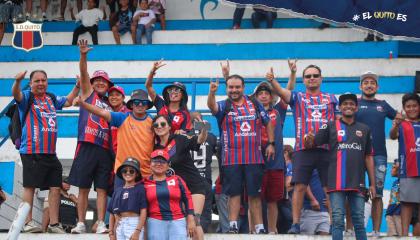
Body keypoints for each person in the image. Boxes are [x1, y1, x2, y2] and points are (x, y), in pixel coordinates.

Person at [268, 64, 339, 234]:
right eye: (308, 76)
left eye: (315, 75)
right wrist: (272, 81)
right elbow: (282, 93)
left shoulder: (331, 98)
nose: (312, 78)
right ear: (304, 80)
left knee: (329, 188)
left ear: (321, 78)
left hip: (325, 148)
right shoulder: (298, 96)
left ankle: (334, 223)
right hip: (302, 149)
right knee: (299, 186)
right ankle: (296, 224)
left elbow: (338, 119)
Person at [207, 71, 275, 234]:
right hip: (231, 160)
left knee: (254, 195)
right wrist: (212, 92)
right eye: (231, 87)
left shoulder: (255, 103)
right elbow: (212, 106)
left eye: (237, 87)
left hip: (254, 158)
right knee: (234, 194)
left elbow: (268, 123)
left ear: (243, 88)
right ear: (227, 88)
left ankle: (259, 228)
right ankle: (233, 226)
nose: (234, 90)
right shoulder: (224, 105)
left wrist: (271, 143)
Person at [12, 70, 79, 233]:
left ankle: (54, 224)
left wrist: (77, 87)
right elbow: (16, 94)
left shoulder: (51, 98)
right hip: (31, 150)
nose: (41, 83)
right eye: (37, 81)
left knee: (55, 187)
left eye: (43, 80)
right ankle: (26, 222)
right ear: (31, 83)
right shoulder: (27, 97)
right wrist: (17, 82)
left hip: (50, 153)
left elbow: (69, 101)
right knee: (30, 186)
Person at [304, 93, 376, 240]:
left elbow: (368, 157)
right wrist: (309, 138)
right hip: (336, 181)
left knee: (359, 221)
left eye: (351, 104)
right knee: (337, 220)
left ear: (356, 107)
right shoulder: (330, 126)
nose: (348, 106)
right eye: (345, 104)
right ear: (340, 107)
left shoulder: (364, 129)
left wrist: (373, 184)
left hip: (358, 182)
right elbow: (311, 144)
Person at [68, 39, 114, 234]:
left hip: (105, 149)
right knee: (84, 187)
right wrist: (83, 55)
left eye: (104, 81)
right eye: (97, 80)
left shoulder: (111, 102)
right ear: (92, 84)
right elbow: (84, 73)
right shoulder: (88, 94)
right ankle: (80, 222)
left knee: (102, 189)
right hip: (87, 144)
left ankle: (100, 223)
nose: (101, 83)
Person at [355, 71, 402, 237]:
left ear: (377, 86)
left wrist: (398, 123)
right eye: (366, 82)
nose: (369, 85)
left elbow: (400, 118)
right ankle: (351, 229)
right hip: (356, 153)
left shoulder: (383, 104)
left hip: (379, 155)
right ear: (360, 86)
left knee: (378, 194)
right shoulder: (354, 103)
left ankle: (375, 231)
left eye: (372, 82)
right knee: (354, 192)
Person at [77, 89, 154, 188]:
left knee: (143, 203)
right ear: (131, 105)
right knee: (120, 202)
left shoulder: (153, 121)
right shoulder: (122, 118)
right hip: (124, 172)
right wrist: (83, 104)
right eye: (136, 102)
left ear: (147, 105)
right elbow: (101, 112)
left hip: (145, 173)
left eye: (143, 102)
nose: (140, 105)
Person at [152, 115, 207, 239]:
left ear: (169, 127)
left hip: (194, 187)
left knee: (194, 220)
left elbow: (199, 140)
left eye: (162, 124)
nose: (159, 127)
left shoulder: (179, 139)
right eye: (156, 125)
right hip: (176, 192)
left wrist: (203, 129)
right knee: (184, 224)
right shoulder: (155, 148)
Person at [144, 150, 195, 239]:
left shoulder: (177, 179)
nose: (159, 164)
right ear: (150, 164)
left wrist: (191, 219)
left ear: (168, 165)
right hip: (155, 223)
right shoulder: (144, 182)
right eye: (155, 161)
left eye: (163, 161)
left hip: (178, 222)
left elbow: (188, 198)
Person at [390, 93, 420, 236]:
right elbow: (392, 135)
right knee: (407, 204)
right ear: (404, 108)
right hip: (407, 170)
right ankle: (403, 236)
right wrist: (396, 124)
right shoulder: (401, 124)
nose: (412, 109)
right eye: (408, 106)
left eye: (415, 106)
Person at [189, 111, 217, 233]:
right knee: (205, 209)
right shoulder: (211, 137)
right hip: (204, 177)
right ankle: (203, 230)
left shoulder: (184, 135)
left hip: (189, 178)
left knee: (188, 207)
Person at [145, 61, 192, 133]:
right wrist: (152, 71)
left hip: (175, 143)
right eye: (170, 90)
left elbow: (187, 133)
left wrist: (182, 132)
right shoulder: (161, 104)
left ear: (183, 95)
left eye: (177, 90)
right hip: (159, 143)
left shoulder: (185, 114)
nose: (173, 92)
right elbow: (148, 86)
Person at [108, 158, 147, 240]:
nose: (128, 173)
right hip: (120, 224)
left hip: (134, 223)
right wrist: (111, 233)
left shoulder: (140, 189)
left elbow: (144, 211)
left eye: (131, 171)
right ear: (122, 173)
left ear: (137, 174)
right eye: (125, 171)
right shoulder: (117, 190)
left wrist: (137, 231)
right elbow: (112, 213)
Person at [300, 170, 330, 235]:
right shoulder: (308, 164)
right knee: (306, 237)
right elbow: (303, 183)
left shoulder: (327, 165)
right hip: (309, 210)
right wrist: (312, 199)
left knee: (325, 236)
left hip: (325, 212)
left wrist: (330, 201)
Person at [385, 159, 401, 236]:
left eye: (394, 167)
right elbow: (392, 197)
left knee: (400, 232)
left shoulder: (403, 181)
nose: (391, 169)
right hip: (390, 211)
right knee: (391, 234)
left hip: (398, 212)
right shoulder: (395, 182)